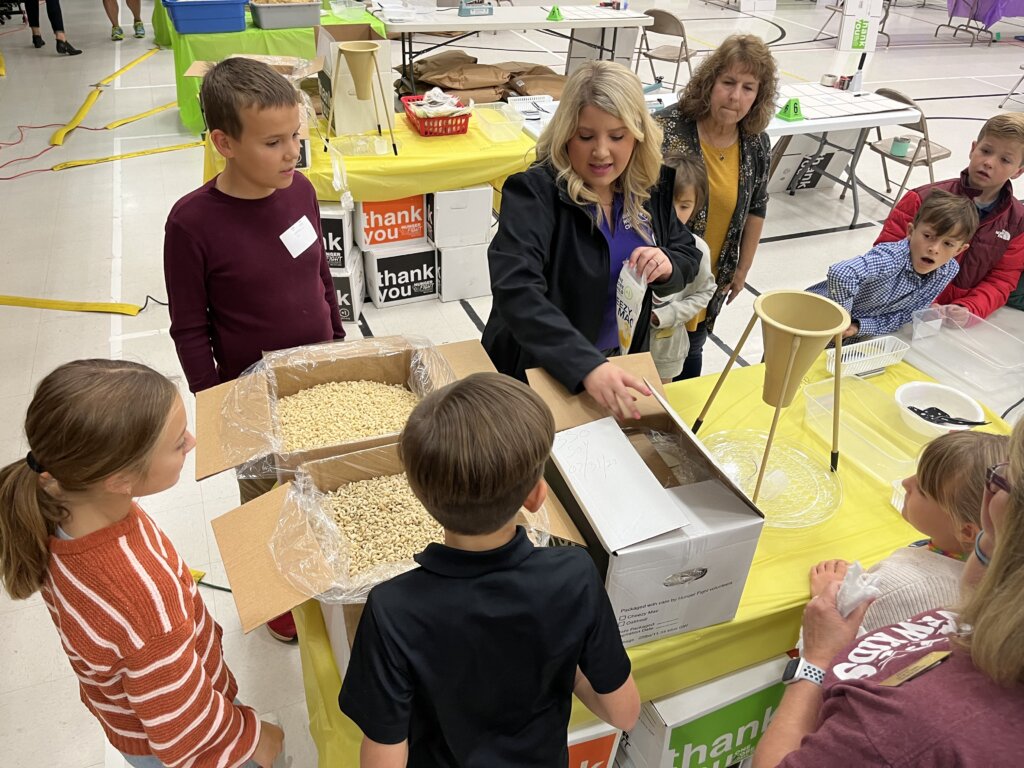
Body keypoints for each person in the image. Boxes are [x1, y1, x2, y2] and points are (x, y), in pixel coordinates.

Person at [339, 373, 641, 767]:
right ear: (536, 496)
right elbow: (624, 713)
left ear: (418, 496)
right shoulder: (574, 575)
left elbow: (384, 754)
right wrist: (562, 663)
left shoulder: (391, 608)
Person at [0, 359, 284, 768]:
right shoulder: (144, 599)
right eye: (176, 443)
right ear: (118, 480)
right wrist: (251, 736)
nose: (192, 441)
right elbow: (185, 734)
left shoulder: (59, 505)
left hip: (137, 713)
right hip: (189, 737)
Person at [164, 57, 345, 643]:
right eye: (274, 142)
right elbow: (190, 328)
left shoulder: (301, 193)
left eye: (296, 135)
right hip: (251, 389)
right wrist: (217, 405)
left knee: (317, 477)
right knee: (265, 494)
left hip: (319, 376)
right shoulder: (192, 224)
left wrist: (338, 340)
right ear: (224, 143)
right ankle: (275, 591)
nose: (294, 152)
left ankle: (322, 561)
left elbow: (320, 273)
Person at [752, 419, 1024, 768]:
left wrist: (817, 658)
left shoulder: (911, 726)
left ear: (972, 528)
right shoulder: (982, 608)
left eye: (1002, 482)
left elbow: (855, 656)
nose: (905, 484)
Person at [482, 60, 701, 420]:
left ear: (638, 134)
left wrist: (668, 265)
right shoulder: (535, 194)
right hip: (544, 367)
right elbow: (517, 290)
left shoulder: (652, 187)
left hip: (619, 360)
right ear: (566, 133)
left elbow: (686, 251)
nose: (601, 152)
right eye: (586, 137)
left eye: (617, 136)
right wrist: (584, 365)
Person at [656, 34, 777, 378]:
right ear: (710, 82)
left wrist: (742, 269)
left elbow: (757, 206)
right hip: (660, 276)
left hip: (709, 280)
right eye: (728, 82)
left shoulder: (756, 143)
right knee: (650, 359)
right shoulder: (666, 128)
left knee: (692, 351)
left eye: (748, 87)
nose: (736, 96)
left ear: (759, 95)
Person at [810, 430, 1008, 635]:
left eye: (922, 489)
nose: (905, 482)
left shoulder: (898, 586)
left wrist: (829, 598)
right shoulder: (997, 568)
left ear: (966, 531)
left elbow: (839, 644)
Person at [876, 112, 1024, 319]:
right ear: (973, 149)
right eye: (986, 150)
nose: (989, 162)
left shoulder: (1017, 222)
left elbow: (1002, 279)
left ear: (1018, 171)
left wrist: (969, 309)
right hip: (898, 309)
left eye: (1005, 160)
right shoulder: (921, 198)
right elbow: (884, 256)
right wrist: (919, 301)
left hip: (955, 322)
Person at [807, 190, 979, 339]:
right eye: (928, 236)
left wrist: (858, 326)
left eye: (947, 244)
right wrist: (842, 320)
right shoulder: (891, 258)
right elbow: (842, 274)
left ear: (959, 250)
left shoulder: (947, 271)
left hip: (850, 334)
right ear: (911, 231)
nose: (934, 249)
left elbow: (906, 315)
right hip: (813, 316)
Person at [649, 152, 716, 382]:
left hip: (664, 354)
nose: (674, 213)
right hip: (621, 348)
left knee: (656, 407)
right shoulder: (634, 237)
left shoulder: (698, 249)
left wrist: (666, 315)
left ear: (696, 207)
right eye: (666, 203)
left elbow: (705, 291)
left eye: (684, 205)